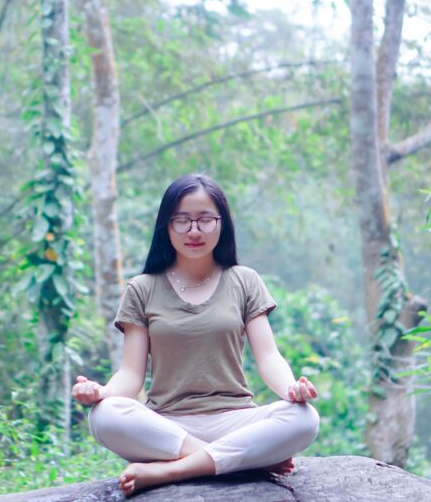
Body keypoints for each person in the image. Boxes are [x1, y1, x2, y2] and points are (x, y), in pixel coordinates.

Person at [71, 173, 320, 496]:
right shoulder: (142, 288)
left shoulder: (244, 280)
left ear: (222, 224)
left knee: (304, 418)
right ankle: (241, 460)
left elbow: (268, 356)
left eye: (205, 220)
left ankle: (173, 469)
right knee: (104, 415)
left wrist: (291, 388)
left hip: (235, 421)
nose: (194, 231)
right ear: (166, 226)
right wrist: (101, 392)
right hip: (169, 426)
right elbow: (131, 374)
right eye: (182, 221)